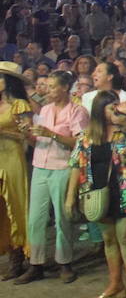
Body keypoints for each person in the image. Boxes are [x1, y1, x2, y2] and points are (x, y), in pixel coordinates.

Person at [65, 90, 126, 298]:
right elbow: (76, 165)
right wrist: (71, 196)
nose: (117, 112)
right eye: (113, 108)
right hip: (97, 193)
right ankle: (115, 285)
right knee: (109, 240)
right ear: (100, 110)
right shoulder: (86, 136)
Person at [19, 69, 88, 283]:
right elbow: (37, 140)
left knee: (62, 217)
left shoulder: (77, 111)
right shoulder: (45, 110)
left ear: (65, 87)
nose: (48, 91)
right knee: (35, 218)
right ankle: (36, 262)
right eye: (47, 87)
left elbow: (81, 143)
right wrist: (26, 133)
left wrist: (52, 134)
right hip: (40, 165)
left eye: (52, 87)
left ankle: (64, 262)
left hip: (63, 167)